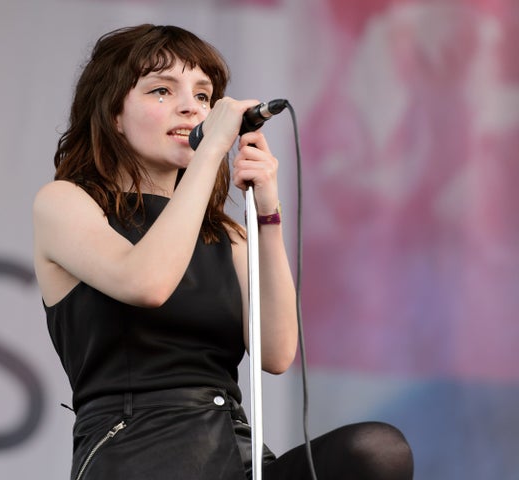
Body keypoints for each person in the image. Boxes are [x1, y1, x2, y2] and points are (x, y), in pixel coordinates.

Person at [33, 24, 413, 480]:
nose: (190, 107)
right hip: (137, 452)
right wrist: (213, 146)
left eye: (203, 95)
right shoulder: (67, 202)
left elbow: (275, 353)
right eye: (161, 91)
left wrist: (268, 217)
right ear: (113, 112)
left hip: (232, 454)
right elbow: (147, 283)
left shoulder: (223, 234)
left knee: (375, 451)